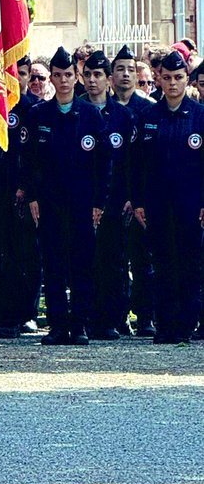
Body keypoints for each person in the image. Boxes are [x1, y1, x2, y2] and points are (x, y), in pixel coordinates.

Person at [23, 46, 109, 345]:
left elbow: (103, 163)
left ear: (78, 78)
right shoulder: (38, 114)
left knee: (82, 264)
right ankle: (58, 324)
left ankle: (80, 324)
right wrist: (32, 196)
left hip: (82, 202)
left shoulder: (91, 116)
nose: (62, 81)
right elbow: (29, 161)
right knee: (54, 264)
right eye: (57, 75)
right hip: (49, 202)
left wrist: (99, 202)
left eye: (68, 75)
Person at [134, 49, 204, 344]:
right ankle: (165, 324)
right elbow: (135, 165)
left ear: (187, 79)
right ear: (159, 80)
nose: (173, 83)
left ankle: (186, 324)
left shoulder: (200, 117)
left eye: (178, 77)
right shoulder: (148, 116)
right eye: (167, 78)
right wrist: (137, 202)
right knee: (162, 265)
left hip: (191, 205)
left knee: (189, 264)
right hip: (158, 205)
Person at [0, 55, 41, 338]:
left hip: (21, 194)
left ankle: (20, 313)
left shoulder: (33, 110)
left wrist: (26, 187)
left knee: (21, 255)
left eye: (22, 73)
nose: (17, 79)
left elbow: (35, 157)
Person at [79, 49, 135, 340]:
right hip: (82, 201)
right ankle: (85, 316)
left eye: (98, 75)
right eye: (87, 74)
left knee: (113, 260)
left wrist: (129, 197)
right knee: (84, 261)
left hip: (114, 202)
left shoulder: (123, 116)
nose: (92, 80)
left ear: (109, 79)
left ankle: (112, 318)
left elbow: (129, 162)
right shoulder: (77, 111)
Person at [110, 44, 156, 336]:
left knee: (143, 260)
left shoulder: (148, 109)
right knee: (113, 258)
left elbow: (148, 161)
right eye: (120, 69)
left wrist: (136, 197)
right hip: (110, 194)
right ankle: (116, 316)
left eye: (130, 69)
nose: (125, 75)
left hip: (141, 196)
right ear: (111, 75)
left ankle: (146, 317)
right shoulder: (102, 106)